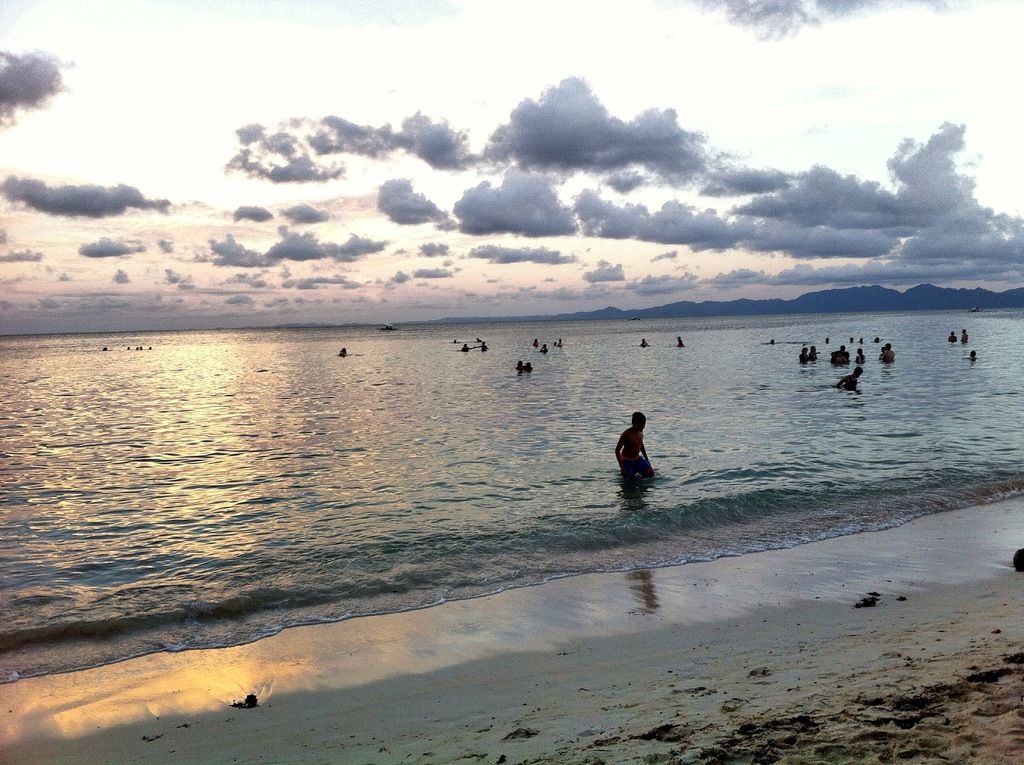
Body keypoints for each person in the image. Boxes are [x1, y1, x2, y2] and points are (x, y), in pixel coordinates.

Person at [616, 411, 655, 480]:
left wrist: (646, 459)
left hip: (637, 459)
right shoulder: (626, 434)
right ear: (634, 423)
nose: (643, 426)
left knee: (650, 473)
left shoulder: (640, 432)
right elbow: (617, 450)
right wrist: (622, 466)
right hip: (627, 460)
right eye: (641, 424)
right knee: (629, 480)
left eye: (644, 424)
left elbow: (641, 445)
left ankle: (639, 474)